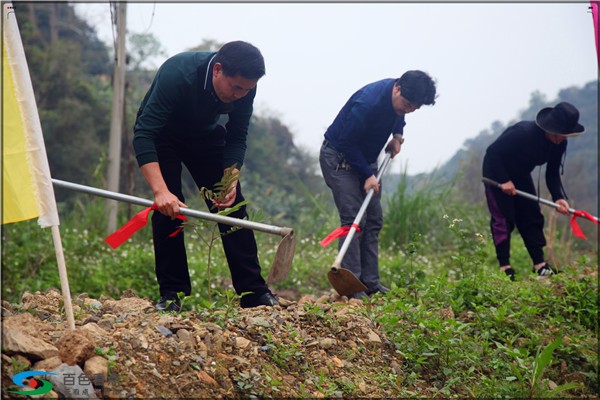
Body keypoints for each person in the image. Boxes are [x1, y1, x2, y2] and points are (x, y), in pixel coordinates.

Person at [132, 41, 278, 311]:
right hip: (163, 135)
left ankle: (253, 293)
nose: (240, 95)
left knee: (232, 206)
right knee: (170, 210)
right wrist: (161, 192)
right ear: (218, 70)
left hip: (204, 136)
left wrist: (230, 178)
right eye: (236, 87)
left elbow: (237, 135)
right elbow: (144, 133)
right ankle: (173, 294)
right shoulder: (178, 73)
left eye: (247, 90)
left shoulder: (245, 89)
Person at [319, 71, 437, 298]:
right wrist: (366, 174)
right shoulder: (368, 103)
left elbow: (398, 115)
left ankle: (370, 284)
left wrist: (397, 135)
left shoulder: (399, 102)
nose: (408, 110)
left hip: (365, 160)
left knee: (373, 220)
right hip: (339, 158)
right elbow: (346, 142)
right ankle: (351, 286)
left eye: (414, 108)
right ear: (397, 88)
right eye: (407, 104)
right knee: (354, 219)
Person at [482, 102, 585, 281]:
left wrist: (559, 198)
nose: (561, 138)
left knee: (531, 214)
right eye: (558, 134)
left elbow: (552, 173)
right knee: (504, 219)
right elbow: (492, 153)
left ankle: (540, 265)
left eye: (565, 135)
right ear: (549, 128)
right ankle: (504, 268)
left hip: (521, 174)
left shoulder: (559, 143)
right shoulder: (522, 133)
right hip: (497, 173)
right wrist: (504, 180)